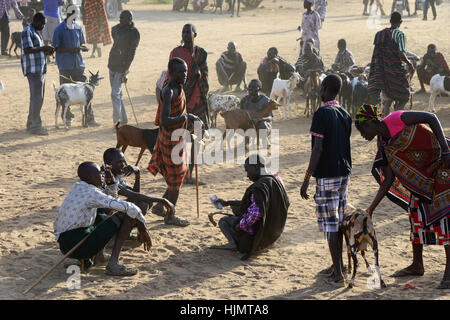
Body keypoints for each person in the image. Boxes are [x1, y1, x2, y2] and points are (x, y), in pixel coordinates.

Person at [354, 105, 450, 289]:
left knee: (445, 219)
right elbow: (388, 179)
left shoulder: (397, 118)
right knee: (415, 214)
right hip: (424, 178)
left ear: (369, 123)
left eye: (361, 129)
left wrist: (446, 151)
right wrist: (371, 209)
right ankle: (417, 264)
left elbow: (431, 117)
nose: (362, 135)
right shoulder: (383, 142)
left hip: (444, 164)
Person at [53, 161, 152, 276]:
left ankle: (99, 257)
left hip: (65, 246)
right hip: (78, 246)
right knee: (126, 214)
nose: (102, 175)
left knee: (101, 212)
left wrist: (111, 182)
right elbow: (129, 207)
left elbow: (109, 202)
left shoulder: (78, 187)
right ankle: (113, 264)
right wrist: (143, 228)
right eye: (99, 173)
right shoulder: (92, 193)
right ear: (90, 177)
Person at [300, 74, 352, 286]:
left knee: (331, 224)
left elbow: (318, 148)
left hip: (328, 175)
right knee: (338, 221)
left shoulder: (322, 113)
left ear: (324, 88)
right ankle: (338, 265)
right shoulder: (345, 113)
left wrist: (306, 178)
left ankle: (338, 273)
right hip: (343, 174)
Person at [148, 58, 203, 227]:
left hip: (177, 137)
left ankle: (159, 206)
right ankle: (170, 216)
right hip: (170, 140)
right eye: (181, 72)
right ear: (172, 73)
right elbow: (164, 120)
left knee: (177, 178)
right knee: (176, 182)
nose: (184, 75)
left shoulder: (179, 86)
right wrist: (187, 117)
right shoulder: (169, 91)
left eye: (185, 71)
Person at [211, 155, 290, 260]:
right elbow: (279, 203)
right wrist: (229, 203)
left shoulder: (259, 187)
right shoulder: (276, 180)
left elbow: (256, 214)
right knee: (238, 212)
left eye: (248, 170)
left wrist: (240, 226)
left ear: (256, 168)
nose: (247, 175)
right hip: (272, 234)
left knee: (224, 221)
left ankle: (233, 244)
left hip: (258, 238)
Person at [166, 24, 209, 185]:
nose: (186, 34)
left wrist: (192, 102)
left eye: (189, 32)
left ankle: (189, 174)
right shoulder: (175, 53)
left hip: (197, 102)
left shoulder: (201, 53)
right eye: (183, 31)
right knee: (179, 138)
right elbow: (170, 76)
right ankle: (178, 172)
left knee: (196, 139)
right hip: (178, 97)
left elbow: (203, 78)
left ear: (195, 34)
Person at [53, 5, 100, 127]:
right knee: (66, 94)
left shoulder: (78, 28)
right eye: (76, 13)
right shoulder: (59, 29)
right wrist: (73, 49)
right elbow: (56, 48)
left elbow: (81, 44)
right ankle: (67, 117)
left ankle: (89, 118)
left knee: (86, 92)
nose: (77, 15)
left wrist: (82, 48)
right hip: (65, 66)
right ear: (70, 13)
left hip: (78, 65)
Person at [102, 148, 175, 220]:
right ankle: (125, 229)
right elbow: (134, 195)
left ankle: (126, 227)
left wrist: (137, 174)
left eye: (124, 161)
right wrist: (162, 200)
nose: (124, 165)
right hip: (101, 217)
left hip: (110, 210)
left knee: (146, 201)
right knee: (143, 204)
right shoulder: (105, 177)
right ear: (108, 163)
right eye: (120, 162)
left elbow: (135, 194)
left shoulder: (116, 175)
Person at [367, 12, 414, 115]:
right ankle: (397, 114)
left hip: (380, 72)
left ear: (390, 21)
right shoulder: (400, 34)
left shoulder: (379, 34)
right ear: (401, 22)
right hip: (393, 71)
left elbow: (376, 54)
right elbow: (401, 54)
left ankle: (386, 120)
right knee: (405, 96)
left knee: (388, 99)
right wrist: (409, 63)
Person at [21, 13, 55, 136]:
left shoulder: (36, 32)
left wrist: (47, 51)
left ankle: (31, 122)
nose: (43, 26)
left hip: (40, 69)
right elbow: (27, 49)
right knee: (37, 98)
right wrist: (44, 48)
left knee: (37, 98)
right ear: (36, 21)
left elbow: (37, 50)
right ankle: (36, 126)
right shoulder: (27, 31)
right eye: (42, 24)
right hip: (33, 70)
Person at [107, 10, 140, 128]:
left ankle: (118, 122)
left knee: (114, 94)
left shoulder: (134, 33)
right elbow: (114, 34)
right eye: (119, 18)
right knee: (118, 94)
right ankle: (124, 119)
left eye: (123, 19)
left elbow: (132, 53)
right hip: (111, 64)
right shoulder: (116, 29)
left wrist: (125, 71)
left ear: (129, 19)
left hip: (122, 67)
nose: (120, 21)